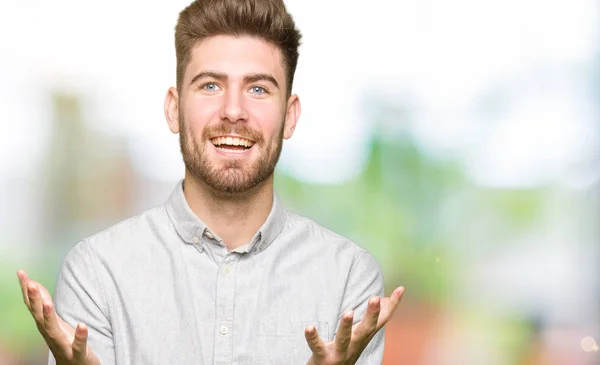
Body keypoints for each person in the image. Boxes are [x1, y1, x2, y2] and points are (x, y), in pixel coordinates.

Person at [17, 0, 404, 363]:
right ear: (174, 109)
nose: (233, 111)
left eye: (258, 89)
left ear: (290, 115)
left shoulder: (347, 277)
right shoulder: (96, 273)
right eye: (210, 86)